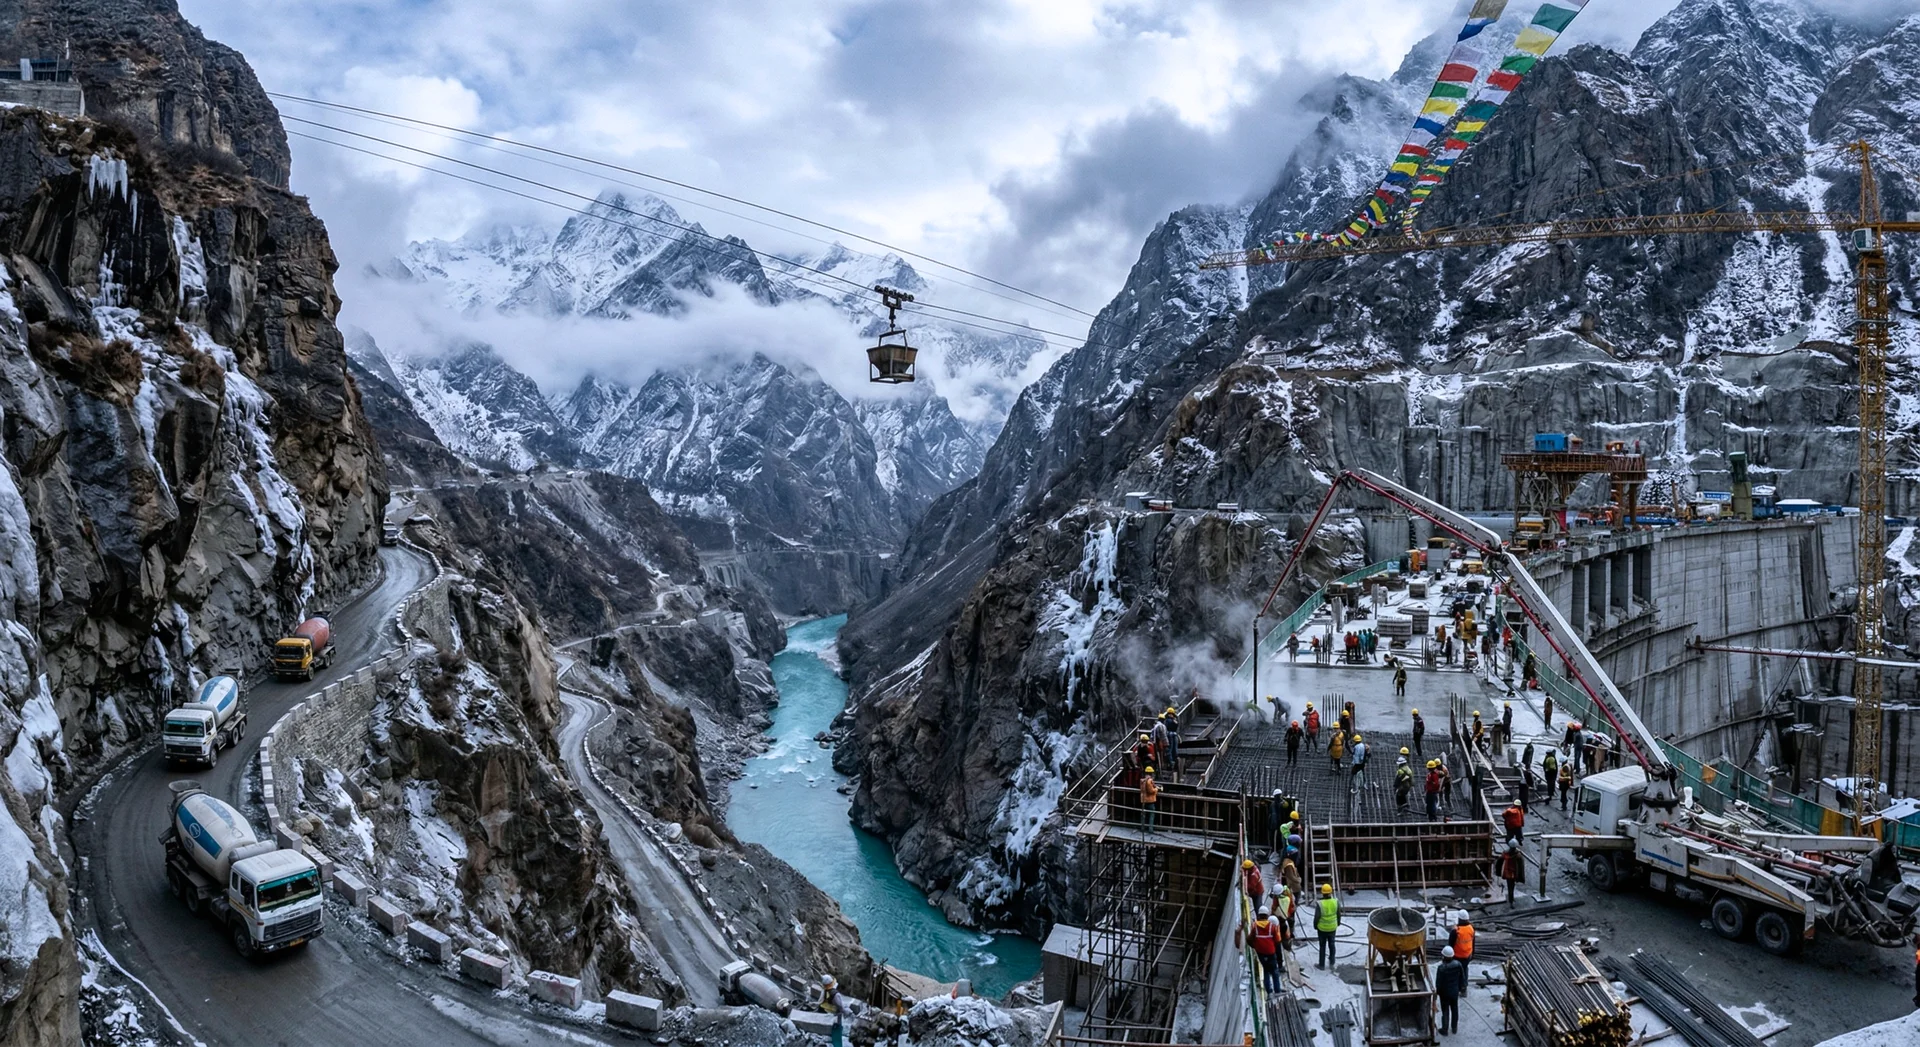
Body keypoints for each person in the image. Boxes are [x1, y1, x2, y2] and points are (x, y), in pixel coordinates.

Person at [1435, 946, 1466, 1035]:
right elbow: (1462, 977)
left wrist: (1437, 993)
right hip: (1454, 992)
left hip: (1444, 993)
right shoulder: (1458, 964)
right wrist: (1461, 988)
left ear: (1443, 956)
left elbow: (1438, 982)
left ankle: (1445, 1030)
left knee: (1445, 1011)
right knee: (1454, 1009)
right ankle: (1454, 1028)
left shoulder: (1441, 968)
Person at [1250, 907, 1282, 992]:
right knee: (1275, 971)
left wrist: (1254, 946)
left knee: (1265, 971)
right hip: (1271, 953)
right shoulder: (1272, 926)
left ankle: (1269, 991)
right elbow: (1277, 940)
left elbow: (1249, 939)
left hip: (1260, 953)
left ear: (1259, 915)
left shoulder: (1254, 926)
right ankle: (1277, 990)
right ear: (1267, 916)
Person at [1314, 884, 1341, 970]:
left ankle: (1321, 965)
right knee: (1332, 944)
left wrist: (1315, 926)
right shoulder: (1336, 902)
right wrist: (1338, 923)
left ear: (1322, 893)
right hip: (1332, 927)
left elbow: (1317, 917)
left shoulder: (1320, 904)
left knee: (1322, 946)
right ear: (1331, 892)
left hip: (1322, 928)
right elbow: (1338, 914)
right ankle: (1332, 961)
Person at [820, 974, 849, 1047]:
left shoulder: (825, 991)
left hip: (825, 1012)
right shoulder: (836, 995)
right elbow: (841, 1007)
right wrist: (847, 1013)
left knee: (830, 1030)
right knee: (836, 1031)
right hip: (834, 1015)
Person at [1140, 766, 1159, 833]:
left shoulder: (1142, 781)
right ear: (1151, 773)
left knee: (1143, 814)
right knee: (1151, 814)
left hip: (1143, 800)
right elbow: (1150, 791)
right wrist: (1156, 789)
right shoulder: (1149, 781)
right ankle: (1150, 829)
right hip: (1150, 800)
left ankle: (1142, 827)